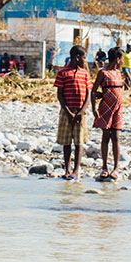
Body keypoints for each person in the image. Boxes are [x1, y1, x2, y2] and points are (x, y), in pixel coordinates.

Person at [54, 45, 92, 180]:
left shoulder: (85, 73)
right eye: (84, 58)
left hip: (80, 112)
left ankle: (76, 170)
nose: (85, 61)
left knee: (79, 142)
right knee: (66, 142)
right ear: (77, 58)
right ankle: (67, 169)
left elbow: (88, 94)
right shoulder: (63, 73)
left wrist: (83, 111)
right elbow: (60, 95)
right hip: (66, 113)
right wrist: (68, 112)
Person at [92, 47, 124, 180]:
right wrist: (94, 108)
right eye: (121, 58)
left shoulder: (118, 72)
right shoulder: (103, 72)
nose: (122, 61)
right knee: (106, 136)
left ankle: (116, 168)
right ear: (117, 59)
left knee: (116, 136)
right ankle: (104, 167)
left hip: (118, 108)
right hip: (105, 107)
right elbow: (93, 91)